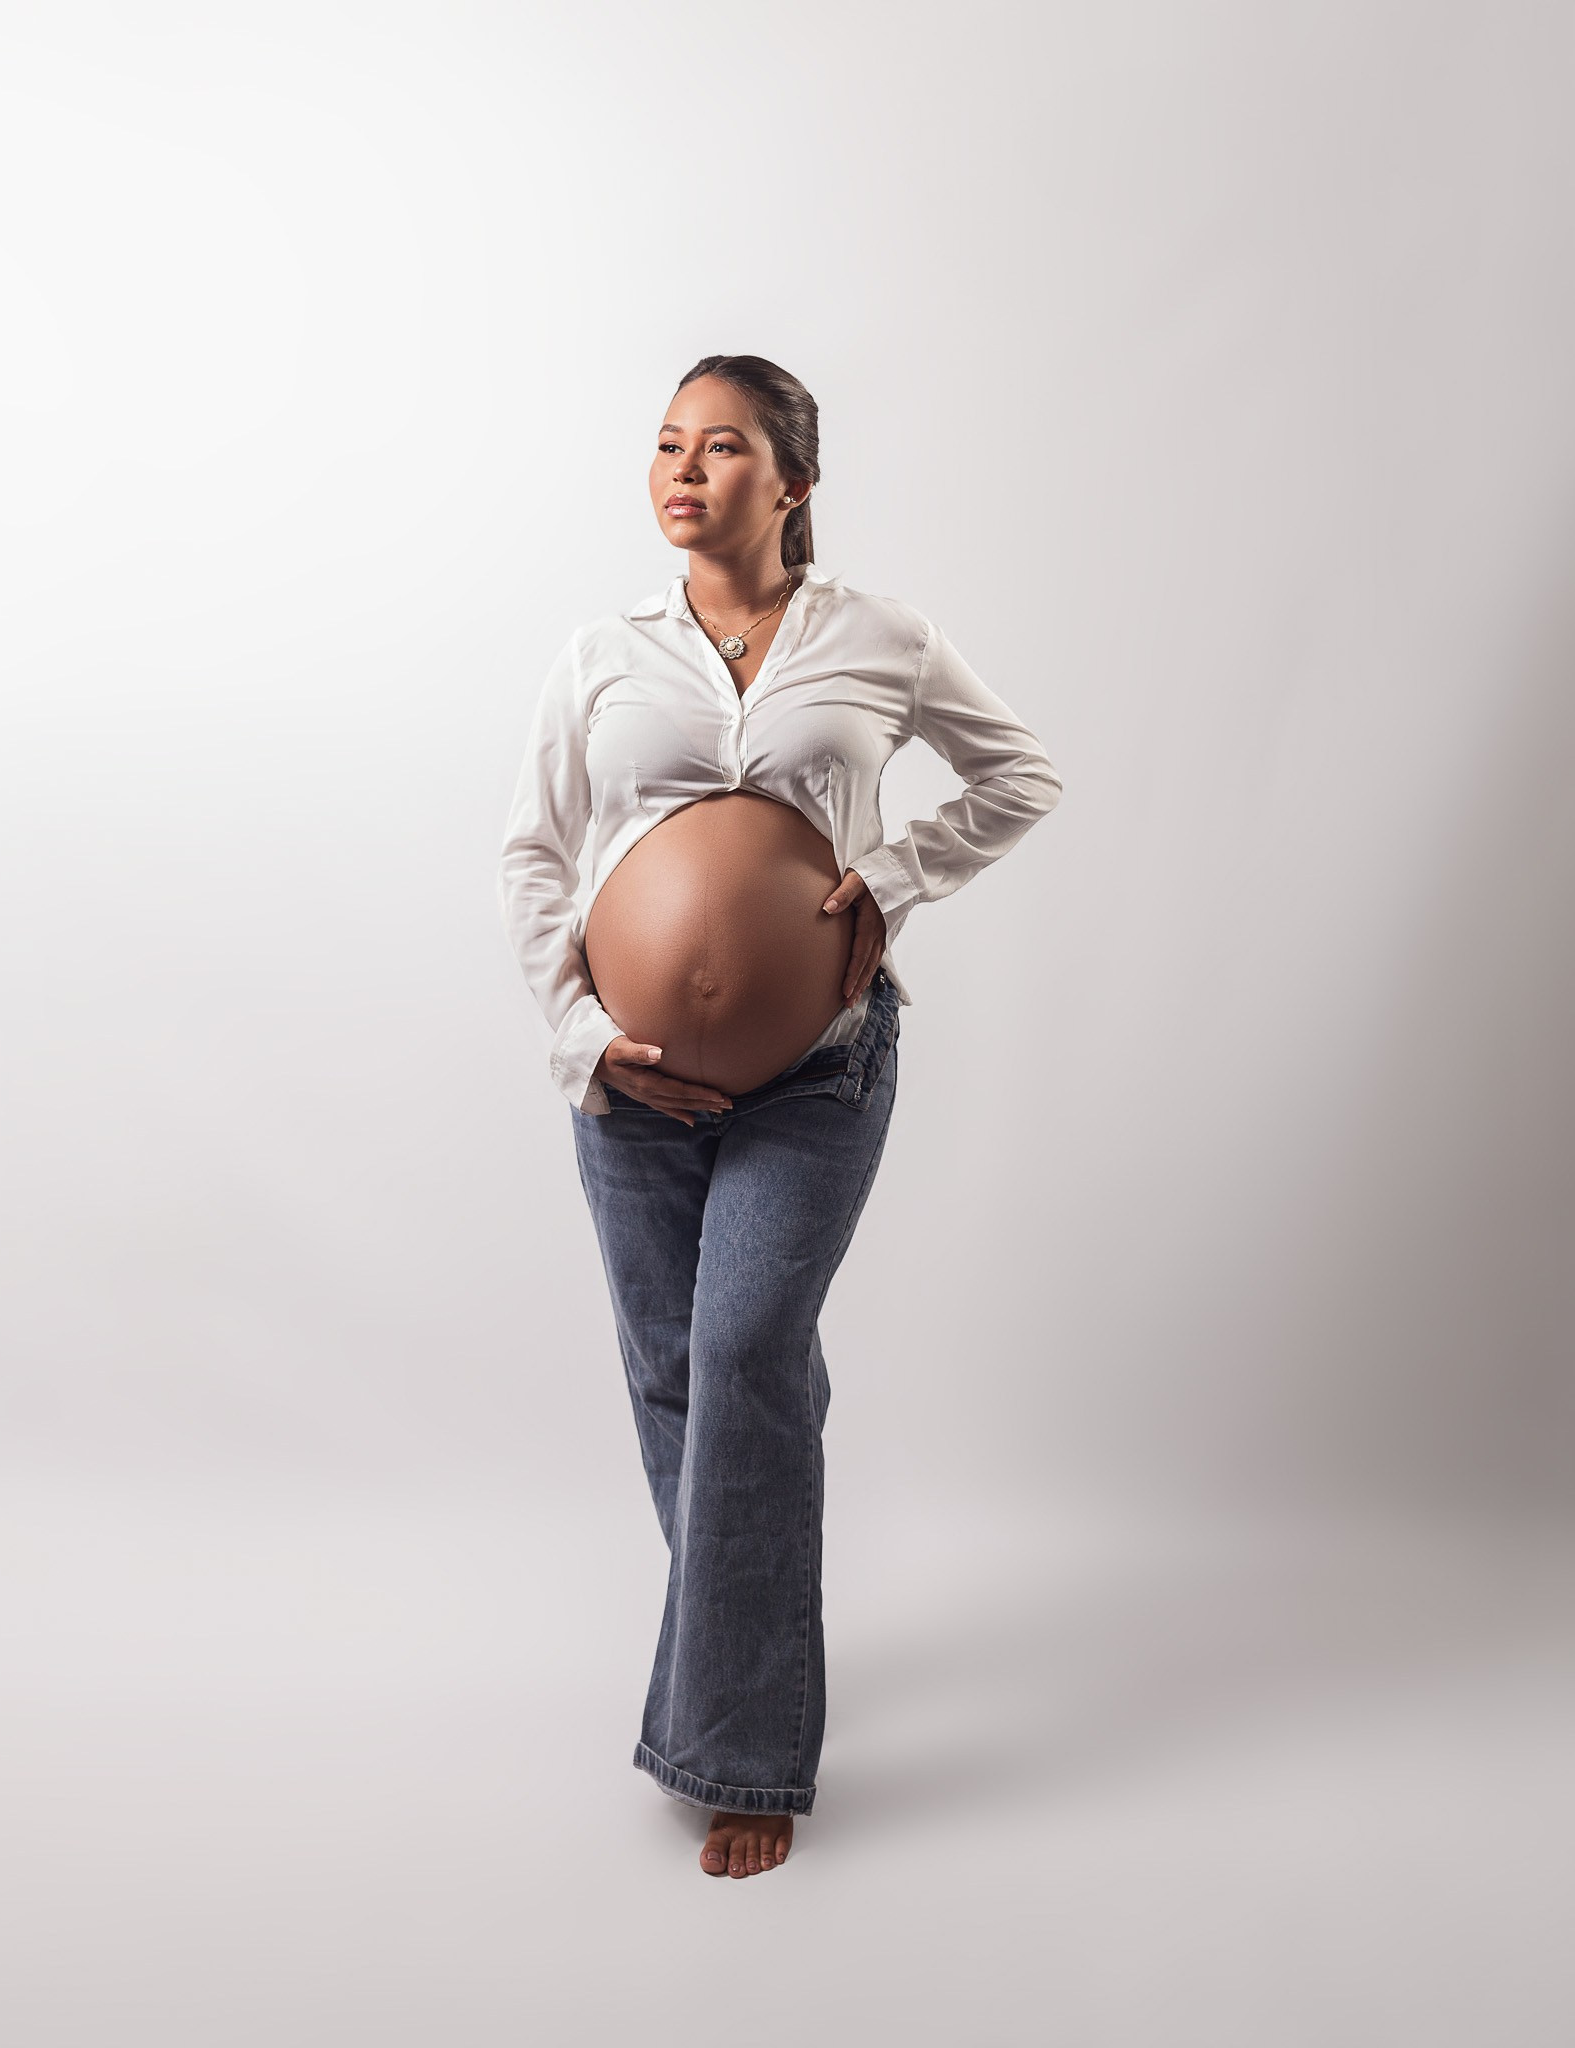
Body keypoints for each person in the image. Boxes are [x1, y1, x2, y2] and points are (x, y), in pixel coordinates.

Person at [498, 353, 1062, 1877]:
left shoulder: (878, 638)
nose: (683, 471)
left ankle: (740, 1744)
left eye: (722, 447)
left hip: (817, 1070)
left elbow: (1018, 776)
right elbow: (535, 857)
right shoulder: (601, 653)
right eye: (666, 446)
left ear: (791, 481)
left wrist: (894, 878)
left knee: (747, 1354)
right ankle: (746, 1641)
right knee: (685, 1377)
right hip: (629, 1082)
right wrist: (579, 1037)